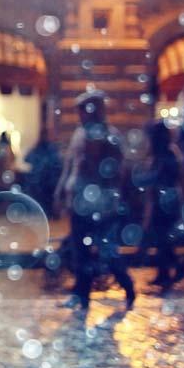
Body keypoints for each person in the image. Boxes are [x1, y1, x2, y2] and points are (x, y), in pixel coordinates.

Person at [55, 90, 136, 312]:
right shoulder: (80, 134)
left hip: (100, 206)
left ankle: (128, 286)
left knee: (106, 249)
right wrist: (62, 190)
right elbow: (70, 165)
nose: (81, 115)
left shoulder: (109, 137)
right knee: (79, 250)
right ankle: (81, 295)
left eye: (84, 109)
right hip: (79, 203)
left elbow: (116, 172)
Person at [135, 120, 184, 291]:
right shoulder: (161, 154)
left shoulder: (168, 154)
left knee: (163, 240)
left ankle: (178, 267)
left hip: (166, 203)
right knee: (161, 241)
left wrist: (139, 179)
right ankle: (165, 273)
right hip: (160, 201)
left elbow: (158, 177)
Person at [21, 133, 63, 218]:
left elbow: (27, 159)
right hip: (43, 180)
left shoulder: (39, 149)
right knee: (45, 198)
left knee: (41, 198)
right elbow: (57, 163)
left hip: (40, 180)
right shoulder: (50, 149)